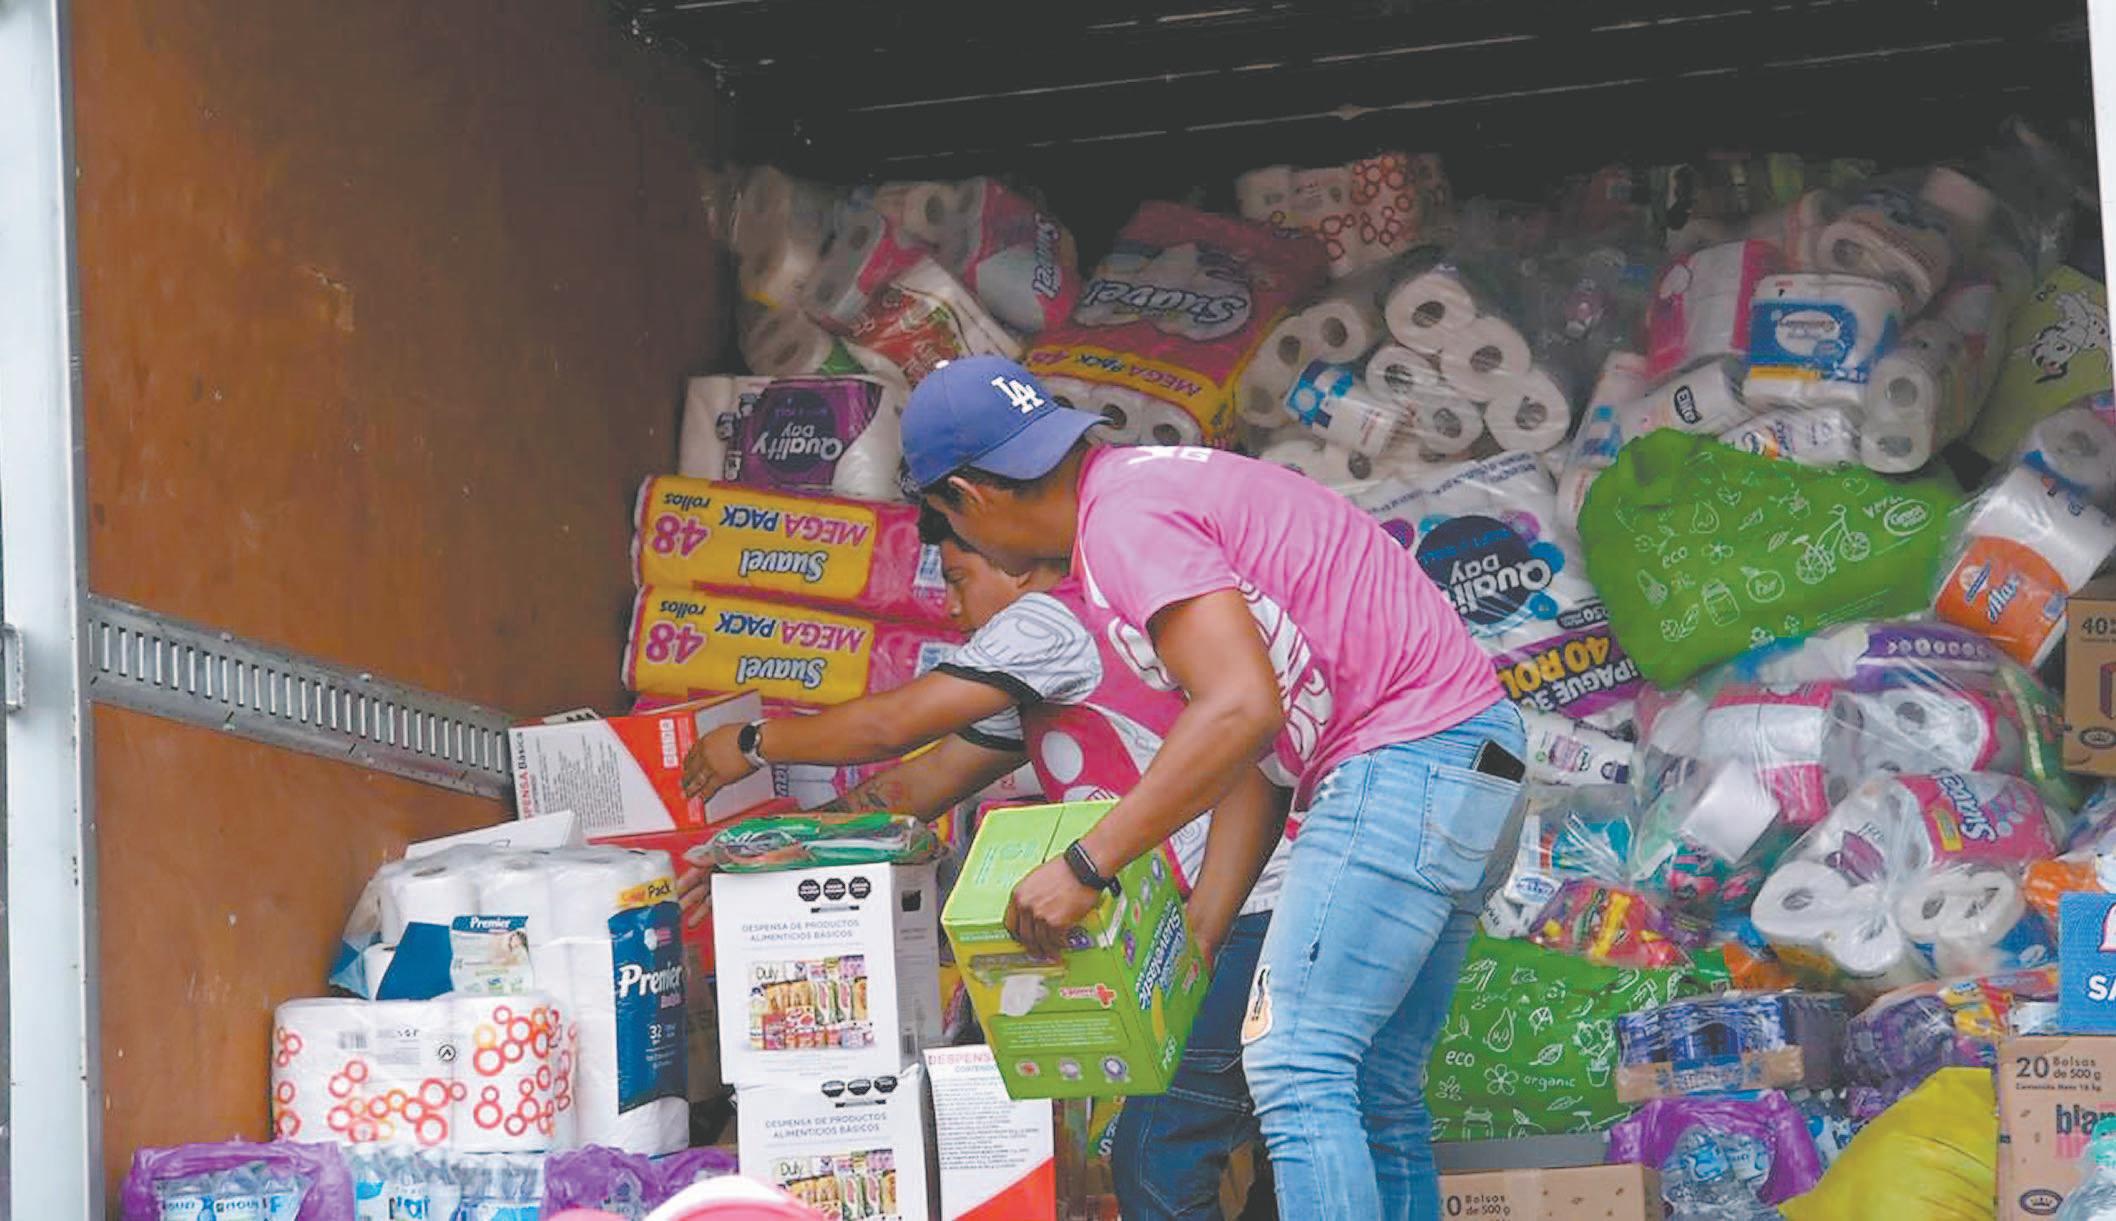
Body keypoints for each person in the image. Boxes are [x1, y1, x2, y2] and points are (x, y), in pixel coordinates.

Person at [901, 354, 1526, 1220]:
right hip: (1474, 758)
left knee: (1295, 1059)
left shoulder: (1120, 523)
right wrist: (1201, 930)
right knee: (1376, 1088)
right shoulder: (1143, 488)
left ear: (967, 497)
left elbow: (1239, 707)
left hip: (1407, 757)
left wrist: (1087, 864)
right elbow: (1257, 751)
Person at [682, 512, 1290, 1221]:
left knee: (1160, 1157)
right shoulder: (1043, 677)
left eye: (960, 578)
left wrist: (754, 742)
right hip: (1229, 916)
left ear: (1016, 560)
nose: (950, 606)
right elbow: (917, 787)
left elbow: (890, 726)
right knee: (1269, 1152)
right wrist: (758, 852)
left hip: (1243, 910)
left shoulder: (1051, 620)